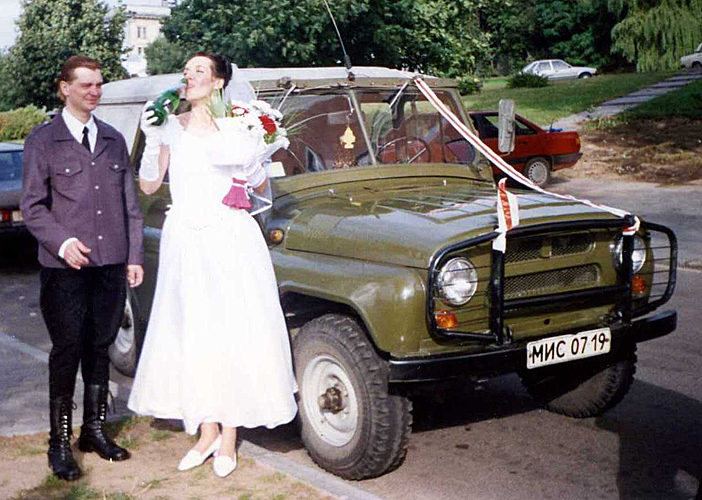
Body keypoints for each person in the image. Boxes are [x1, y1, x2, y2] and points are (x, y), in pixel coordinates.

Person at [127, 53, 297, 478]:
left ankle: (229, 436)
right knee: (193, 333)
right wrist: (152, 138)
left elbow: (259, 185)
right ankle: (205, 431)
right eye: (186, 72)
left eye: (199, 71)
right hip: (186, 239)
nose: (189, 77)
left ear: (219, 82)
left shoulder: (239, 126)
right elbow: (149, 184)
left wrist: (253, 157)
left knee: (230, 333)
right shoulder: (172, 126)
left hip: (228, 237)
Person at [20, 55, 145, 481]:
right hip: (64, 268)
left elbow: (131, 206)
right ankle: (59, 441)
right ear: (65, 88)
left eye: (99, 84)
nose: (94, 91)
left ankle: (94, 431)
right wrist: (63, 242)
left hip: (110, 264)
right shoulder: (44, 141)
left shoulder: (113, 139)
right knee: (67, 349)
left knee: (100, 346)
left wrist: (134, 256)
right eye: (86, 84)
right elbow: (32, 207)